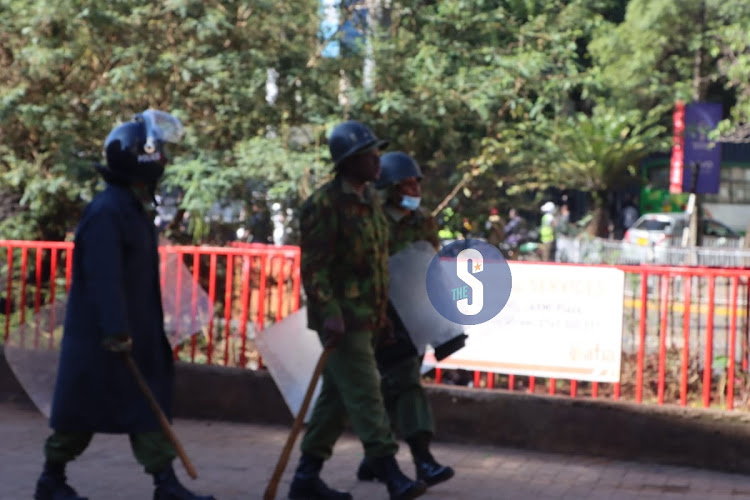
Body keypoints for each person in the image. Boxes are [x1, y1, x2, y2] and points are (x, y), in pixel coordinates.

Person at [34, 111, 216, 500]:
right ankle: (51, 479)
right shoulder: (108, 211)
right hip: (105, 334)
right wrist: (115, 328)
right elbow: (103, 277)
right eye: (160, 152)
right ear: (142, 159)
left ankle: (164, 483)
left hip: (131, 330)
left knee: (145, 408)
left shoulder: (130, 207)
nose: (165, 159)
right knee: (80, 415)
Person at [290, 121, 427, 500]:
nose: (377, 160)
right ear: (349, 161)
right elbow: (315, 266)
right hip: (341, 318)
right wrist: (330, 310)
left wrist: (381, 315)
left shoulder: (370, 202)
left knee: (336, 401)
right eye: (369, 154)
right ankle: (390, 471)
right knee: (367, 393)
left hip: (367, 316)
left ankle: (306, 478)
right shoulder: (324, 204)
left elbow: (378, 264)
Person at [355, 151, 454, 489]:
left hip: (413, 314)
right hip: (379, 313)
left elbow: (431, 263)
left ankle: (419, 459)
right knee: (387, 386)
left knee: (405, 380)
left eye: (416, 182)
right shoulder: (373, 220)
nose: (414, 189)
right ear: (389, 189)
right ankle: (391, 459)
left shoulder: (423, 221)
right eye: (406, 184)